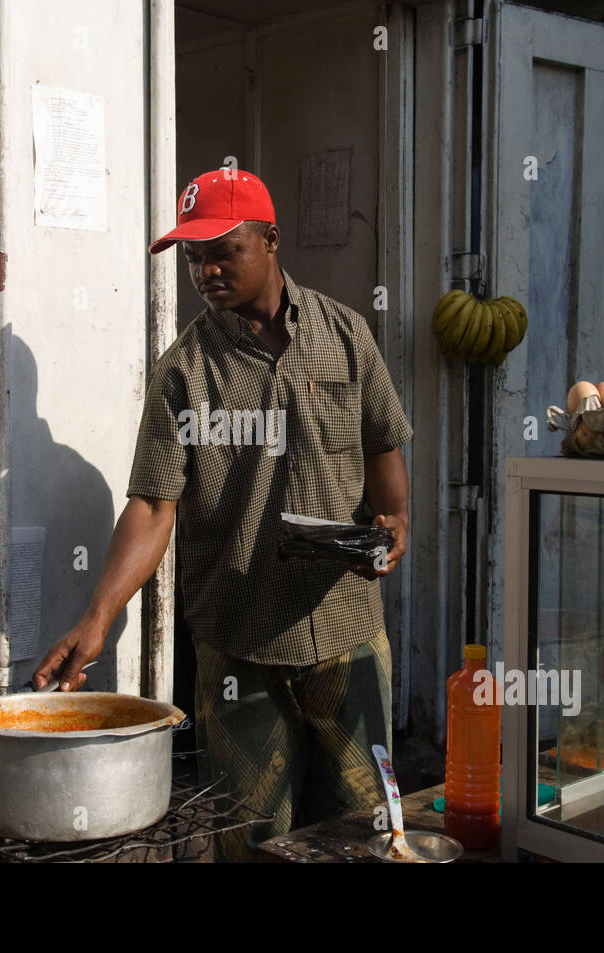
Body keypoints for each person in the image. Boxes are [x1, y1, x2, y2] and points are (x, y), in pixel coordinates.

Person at [32, 169, 412, 860]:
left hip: (347, 631)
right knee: (253, 839)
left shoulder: (346, 335)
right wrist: (98, 618)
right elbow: (152, 503)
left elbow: (383, 437)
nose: (204, 270)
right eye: (192, 257)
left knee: (367, 829)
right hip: (239, 642)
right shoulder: (183, 372)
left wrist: (394, 520)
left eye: (221, 251)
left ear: (270, 240)